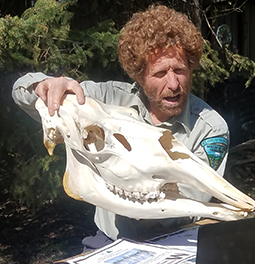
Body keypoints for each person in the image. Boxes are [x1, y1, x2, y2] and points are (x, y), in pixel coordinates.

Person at [12, 5, 230, 249]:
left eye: (180, 70)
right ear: (139, 75)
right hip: (108, 243)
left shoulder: (211, 129)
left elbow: (192, 200)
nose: (173, 84)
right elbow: (22, 92)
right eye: (159, 73)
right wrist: (45, 86)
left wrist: (147, 204)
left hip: (177, 246)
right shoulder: (105, 99)